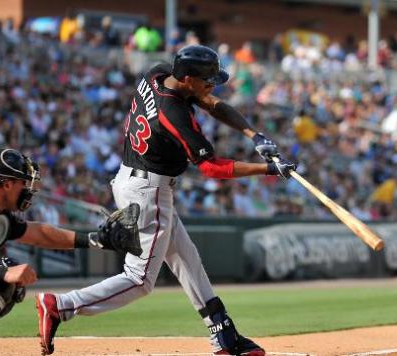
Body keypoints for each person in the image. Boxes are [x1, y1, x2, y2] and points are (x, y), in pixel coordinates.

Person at [37, 44, 296, 356]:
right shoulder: (172, 112)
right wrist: (267, 169)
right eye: (206, 80)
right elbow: (211, 167)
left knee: (187, 260)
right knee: (140, 278)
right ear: (187, 79)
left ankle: (224, 335)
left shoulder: (159, 73)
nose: (212, 85)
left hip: (136, 179)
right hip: (150, 191)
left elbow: (212, 103)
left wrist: (254, 136)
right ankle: (61, 306)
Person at [0, 148, 141, 333]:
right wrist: (1, 273)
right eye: (23, 182)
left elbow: (40, 233)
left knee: (7, 276)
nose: (27, 188)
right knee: (2, 278)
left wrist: (95, 240)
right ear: (7, 184)